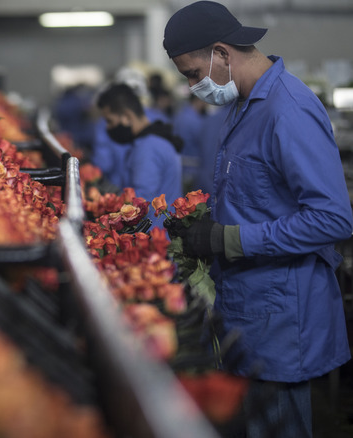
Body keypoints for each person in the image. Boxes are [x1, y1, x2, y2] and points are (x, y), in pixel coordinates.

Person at [163, 2, 353, 437]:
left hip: (281, 317)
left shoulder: (289, 110)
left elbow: (332, 219)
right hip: (248, 310)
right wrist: (202, 223)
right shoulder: (244, 106)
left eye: (194, 74)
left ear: (222, 54)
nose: (194, 86)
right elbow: (259, 198)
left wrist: (226, 239)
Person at [95, 83, 183, 228]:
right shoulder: (154, 141)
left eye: (110, 121)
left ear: (126, 116)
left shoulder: (147, 148)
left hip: (155, 238)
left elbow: (141, 205)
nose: (108, 128)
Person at [172, 93, 208, 191]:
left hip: (180, 166)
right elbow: (204, 142)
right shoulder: (196, 120)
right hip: (193, 168)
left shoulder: (180, 115)